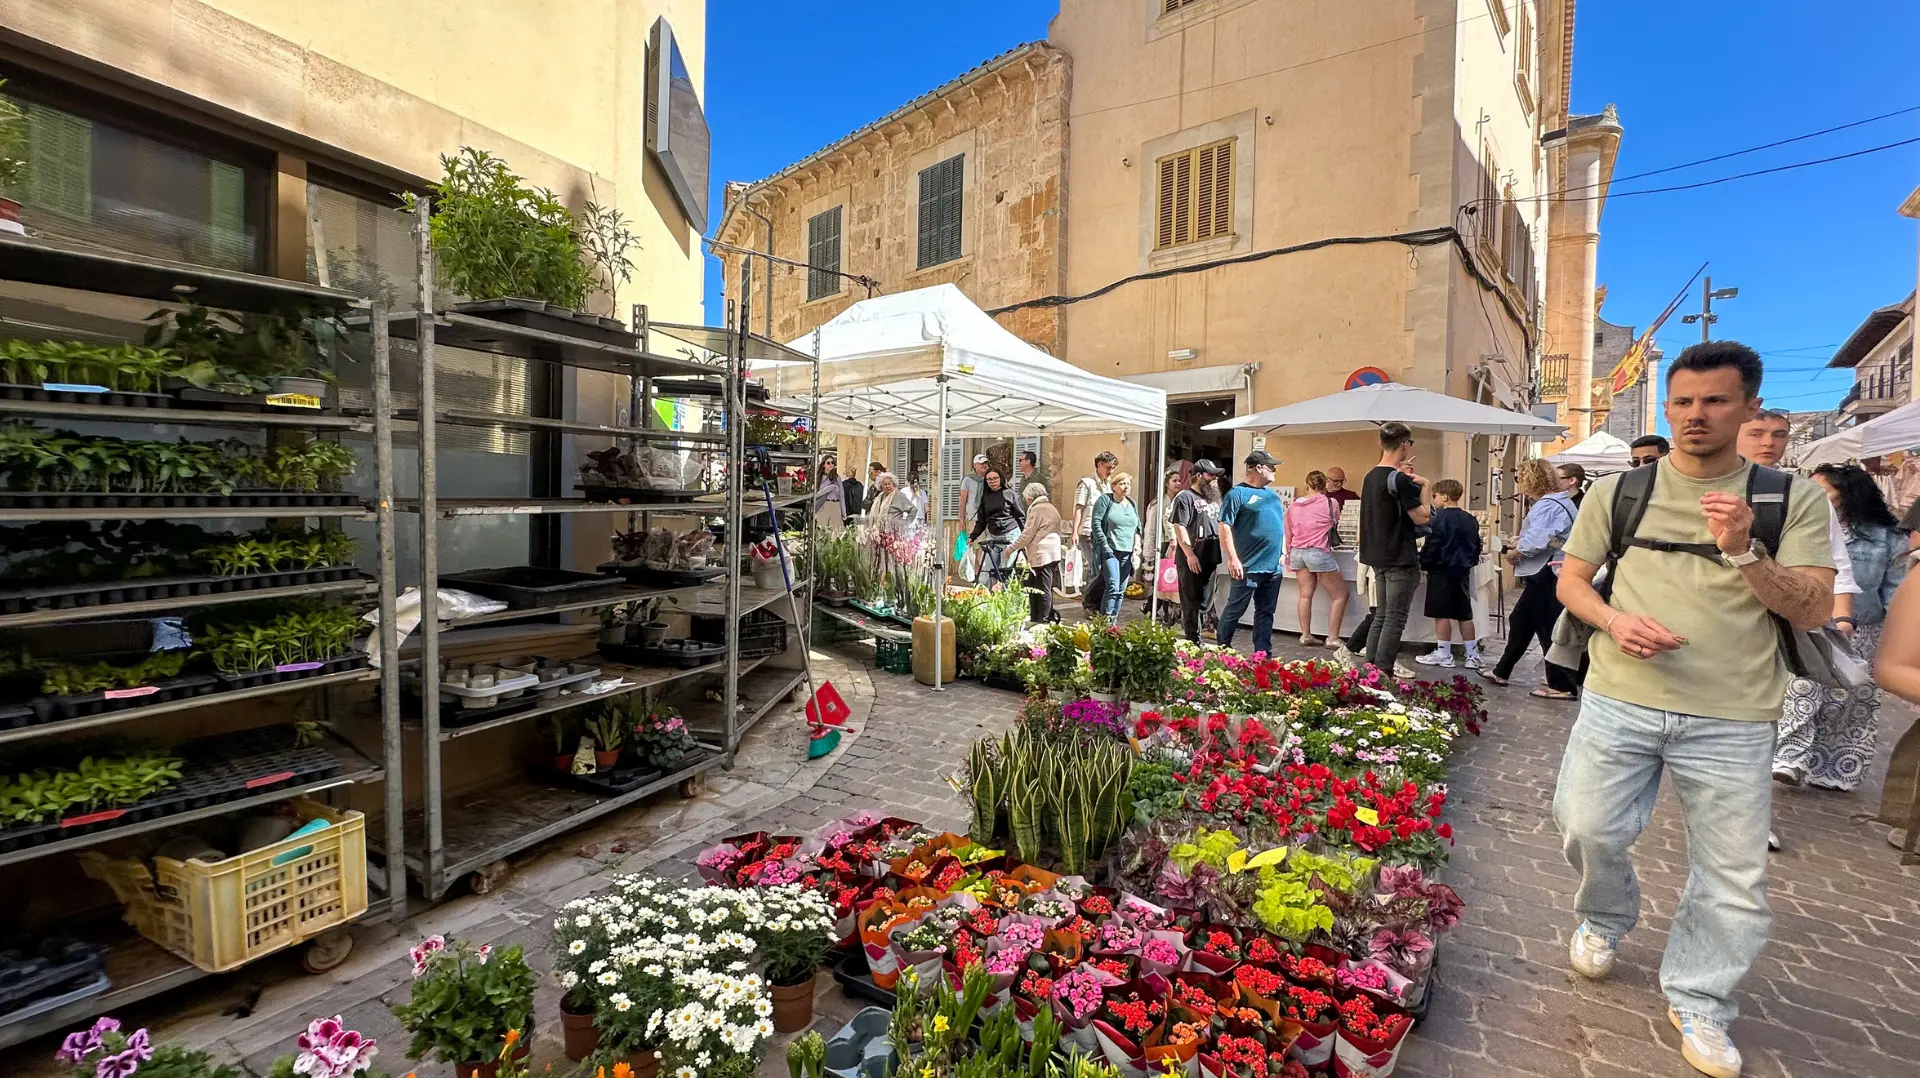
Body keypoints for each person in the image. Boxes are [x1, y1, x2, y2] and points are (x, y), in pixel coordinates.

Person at [1553, 341, 1834, 1078]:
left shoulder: (1787, 498)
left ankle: (1701, 996)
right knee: (1585, 826)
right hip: (1620, 695)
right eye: (1682, 402)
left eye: (1714, 401)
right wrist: (1614, 622)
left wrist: (1746, 551)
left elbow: (1809, 608)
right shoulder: (1620, 493)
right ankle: (1604, 917)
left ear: (1748, 408)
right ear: (1665, 407)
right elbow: (1574, 584)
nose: (1696, 415)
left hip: (1735, 712)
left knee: (1733, 875)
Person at [1739, 410, 1864, 852]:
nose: (1768, 442)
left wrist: (1842, 620)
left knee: (1762, 728)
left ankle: (1751, 819)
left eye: (1777, 434)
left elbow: (1838, 566)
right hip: (1716, 632)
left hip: (1780, 629)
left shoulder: (1802, 496)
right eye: (1756, 433)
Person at [1775, 464, 1905, 792]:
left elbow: (1894, 590)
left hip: (1864, 628)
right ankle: (1789, 758)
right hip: (1814, 621)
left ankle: (1832, 770)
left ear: (1847, 495)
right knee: (1802, 687)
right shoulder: (1802, 526)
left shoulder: (1887, 539)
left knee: (1848, 701)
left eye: (1824, 491)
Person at [1481, 459, 1582, 695]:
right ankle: (1502, 671)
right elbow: (1556, 539)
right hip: (1550, 568)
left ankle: (1562, 685)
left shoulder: (1548, 505)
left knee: (1546, 627)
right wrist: (1523, 542)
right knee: (1522, 620)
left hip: (1546, 571)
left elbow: (1538, 541)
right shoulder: (1561, 502)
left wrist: (1515, 551)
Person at [1359, 423, 1431, 672]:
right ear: (1405, 444)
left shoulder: (1370, 476)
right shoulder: (1398, 479)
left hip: (1377, 556)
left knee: (1381, 613)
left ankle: (1371, 668)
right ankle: (1382, 670)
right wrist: (1426, 487)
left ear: (1380, 444)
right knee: (1395, 618)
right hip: (1400, 556)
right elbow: (1422, 517)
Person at [1218, 450, 1288, 654]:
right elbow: (1224, 526)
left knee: (1266, 611)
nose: (1275, 470)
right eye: (1271, 466)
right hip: (1249, 565)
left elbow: (1280, 526)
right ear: (1258, 468)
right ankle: (1223, 648)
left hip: (1273, 566)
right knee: (1235, 609)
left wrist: (1282, 551)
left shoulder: (1272, 496)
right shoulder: (1237, 494)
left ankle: (1262, 653)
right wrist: (1232, 559)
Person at [1414, 479, 1483, 669]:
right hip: (1462, 569)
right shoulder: (1470, 518)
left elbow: (1433, 543)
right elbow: (1477, 544)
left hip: (1441, 568)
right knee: (1464, 612)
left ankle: (1444, 652)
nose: (1433, 500)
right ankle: (1472, 654)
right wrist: (1471, 562)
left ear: (1444, 497)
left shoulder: (1437, 518)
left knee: (1441, 612)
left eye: (1434, 496)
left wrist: (1424, 562)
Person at [1285, 470, 1349, 647]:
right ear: (1325, 484)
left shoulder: (1294, 505)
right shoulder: (1330, 502)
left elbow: (1288, 531)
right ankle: (1333, 637)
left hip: (1297, 551)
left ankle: (1305, 635)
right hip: (1318, 551)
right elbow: (1334, 521)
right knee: (1340, 595)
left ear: (1307, 484)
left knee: (1305, 595)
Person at [1172, 459, 1225, 644]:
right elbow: (1180, 527)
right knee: (1191, 602)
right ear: (1199, 476)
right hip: (1191, 559)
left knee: (1206, 601)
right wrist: (1189, 553)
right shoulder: (1185, 497)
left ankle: (1200, 635)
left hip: (1211, 557)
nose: (1215, 479)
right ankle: (1193, 641)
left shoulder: (1214, 499)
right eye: (1211, 475)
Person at [1006, 483, 1064, 623]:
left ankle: (1042, 619)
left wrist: (1011, 548)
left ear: (1030, 497)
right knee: (1040, 587)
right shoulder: (1052, 508)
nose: (1026, 501)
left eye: (1026, 498)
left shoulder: (1037, 509)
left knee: (1041, 588)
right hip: (1053, 553)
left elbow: (1027, 534)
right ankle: (1039, 617)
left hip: (1042, 554)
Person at [1091, 472, 1140, 619]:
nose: (1126, 487)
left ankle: (1113, 624)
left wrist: (1137, 544)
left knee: (1121, 590)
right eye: (1122, 484)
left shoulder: (1132, 503)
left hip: (1128, 552)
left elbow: (1138, 526)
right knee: (1112, 586)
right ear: (1114, 486)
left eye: (1128, 484)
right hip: (1110, 550)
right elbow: (1096, 524)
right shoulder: (1106, 500)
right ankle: (1105, 623)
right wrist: (1104, 545)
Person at [1074, 451, 1119, 612]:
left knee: (1102, 568)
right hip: (1087, 531)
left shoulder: (1109, 485)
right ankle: (1089, 604)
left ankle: (1096, 602)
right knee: (1095, 567)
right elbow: (1079, 508)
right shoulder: (1086, 484)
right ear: (1099, 465)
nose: (1111, 471)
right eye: (1108, 467)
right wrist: (1074, 531)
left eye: (1113, 468)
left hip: (1103, 533)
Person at [970, 468, 1026, 584]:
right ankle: (985, 597)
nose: (992, 481)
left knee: (1007, 570)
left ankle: (1006, 597)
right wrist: (973, 536)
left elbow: (1020, 517)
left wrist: (1025, 538)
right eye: (989, 479)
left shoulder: (1010, 494)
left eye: (995, 478)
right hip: (993, 535)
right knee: (987, 569)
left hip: (1010, 534)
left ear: (1000, 479)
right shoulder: (986, 497)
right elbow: (981, 520)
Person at [812, 455, 846, 530]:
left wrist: (844, 512)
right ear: (823, 464)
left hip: (836, 505)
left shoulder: (837, 478)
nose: (831, 464)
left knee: (835, 532)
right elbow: (815, 495)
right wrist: (829, 488)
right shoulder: (818, 478)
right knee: (822, 531)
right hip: (823, 505)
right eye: (828, 463)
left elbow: (841, 495)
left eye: (832, 463)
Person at [959, 453, 989, 534]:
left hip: (988, 519)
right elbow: (962, 501)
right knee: (975, 545)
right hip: (973, 518)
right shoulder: (967, 480)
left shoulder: (990, 479)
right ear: (975, 465)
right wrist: (961, 519)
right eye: (982, 463)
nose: (984, 465)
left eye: (986, 463)